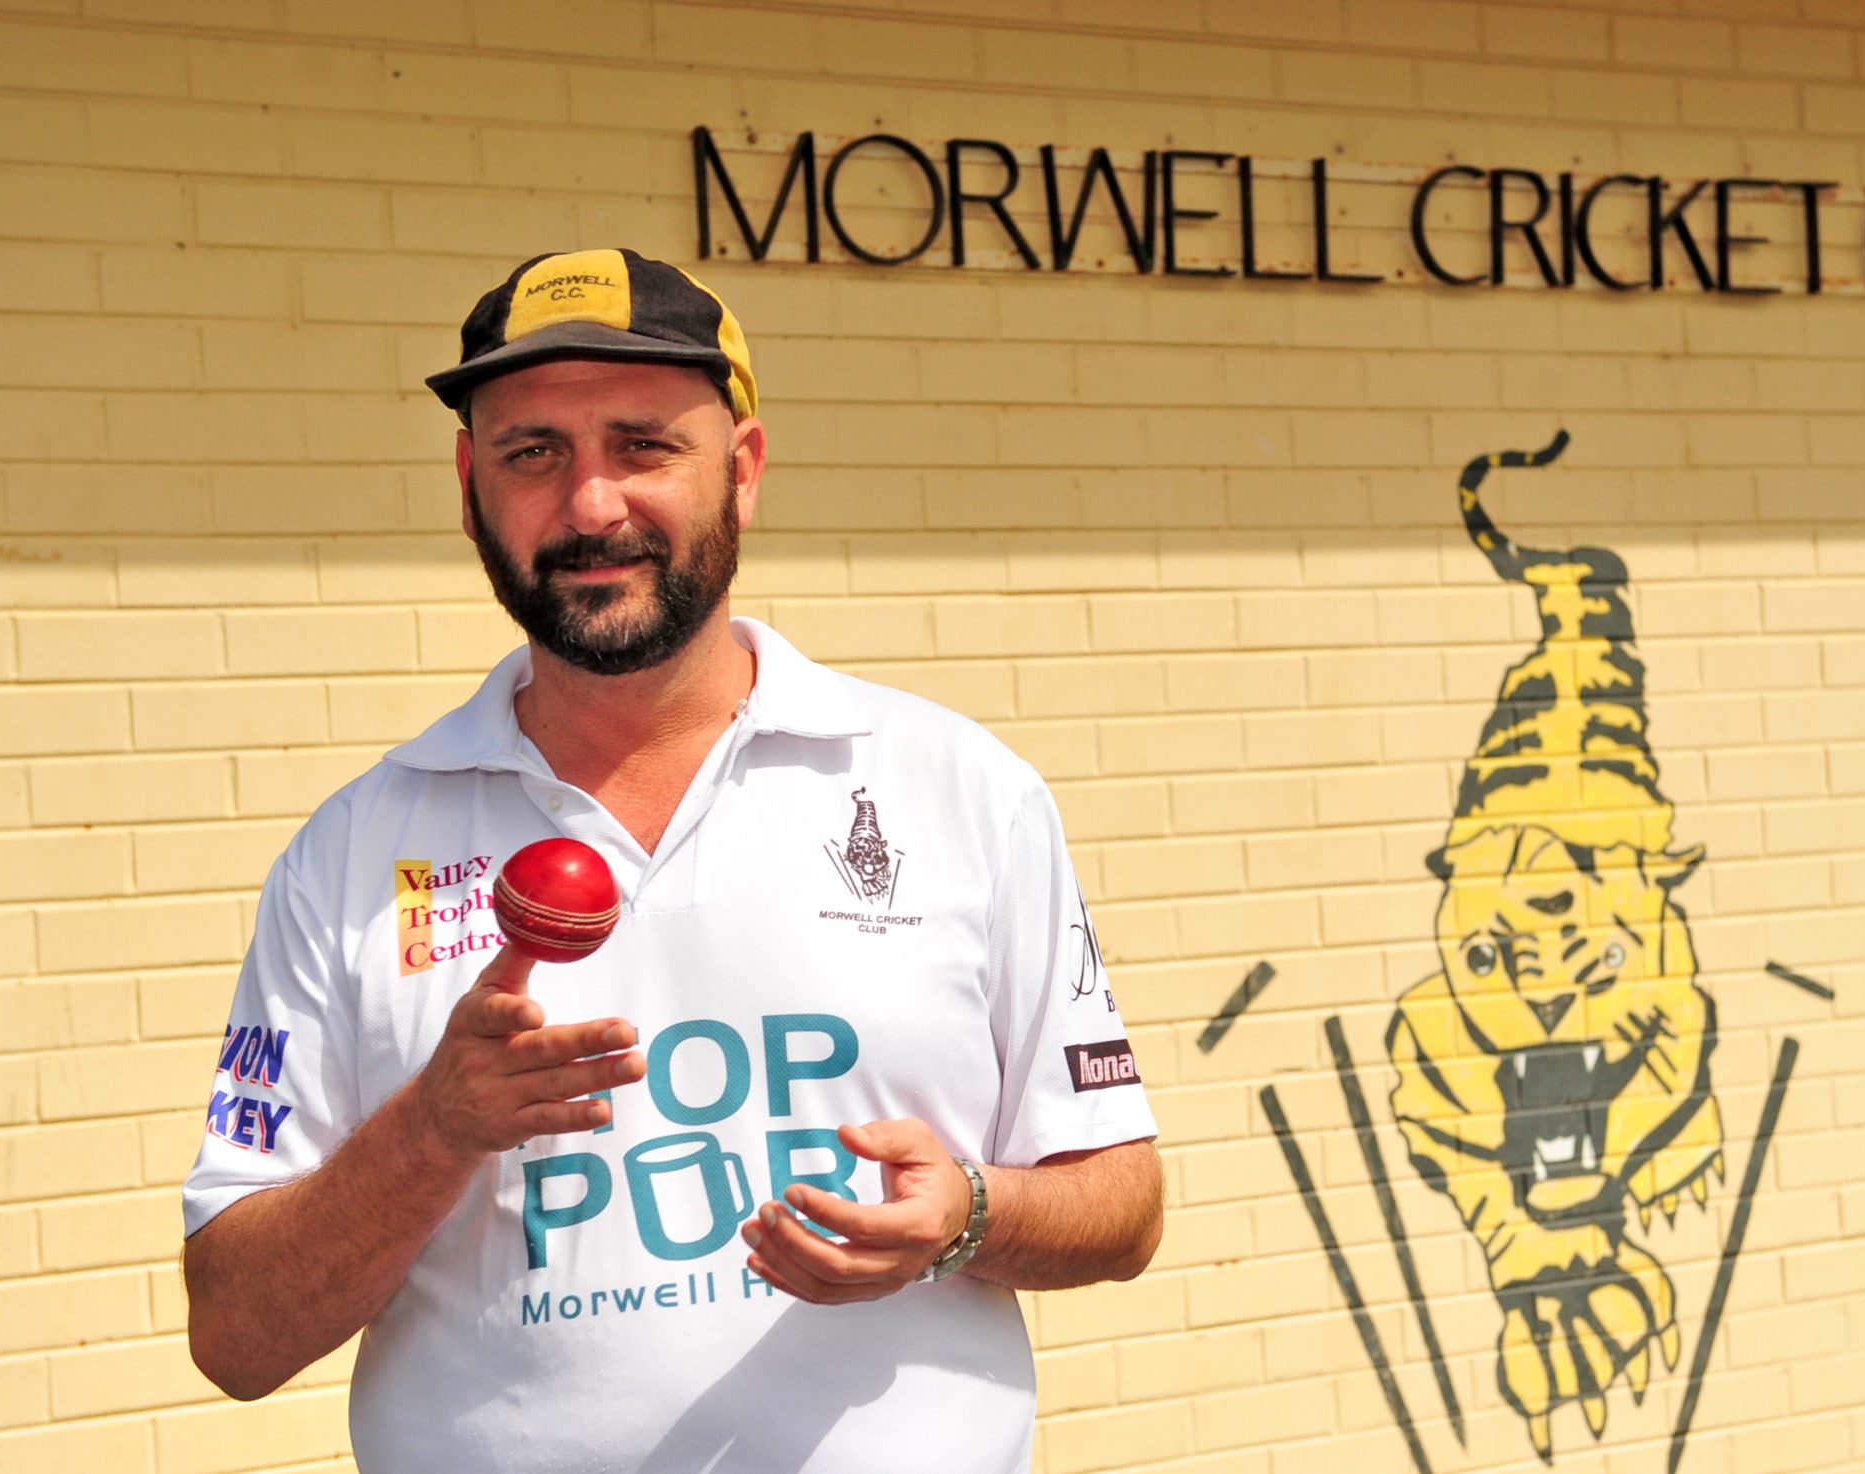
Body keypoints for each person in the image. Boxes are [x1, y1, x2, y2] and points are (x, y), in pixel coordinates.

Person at [179, 248, 1162, 1473]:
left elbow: (1121, 1202)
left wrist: (969, 1213)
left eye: (643, 446)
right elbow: (236, 1333)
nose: (591, 505)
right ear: (469, 488)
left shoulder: (959, 789)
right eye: (532, 453)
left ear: (742, 470)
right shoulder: (349, 857)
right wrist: (432, 1129)